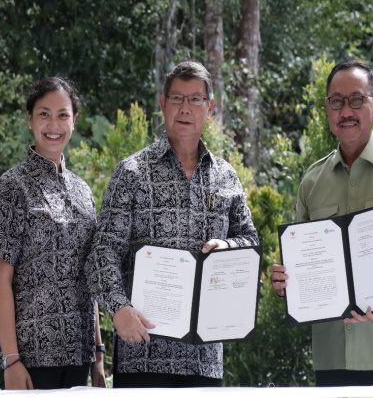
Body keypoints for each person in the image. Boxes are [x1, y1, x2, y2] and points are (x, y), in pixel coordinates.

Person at [87, 61, 259, 388]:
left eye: (195, 99)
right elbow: (102, 252)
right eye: (177, 98)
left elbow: (249, 241)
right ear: (163, 104)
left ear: (210, 108)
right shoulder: (132, 173)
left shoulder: (225, 176)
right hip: (142, 355)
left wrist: (228, 246)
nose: (185, 108)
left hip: (204, 359)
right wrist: (118, 309)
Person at [271, 60, 373, 386]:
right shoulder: (312, 182)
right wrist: (284, 281)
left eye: (356, 99)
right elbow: (300, 264)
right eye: (337, 101)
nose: (345, 110)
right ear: (327, 109)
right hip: (331, 356)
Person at [0, 77, 106, 390]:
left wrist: (98, 356)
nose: (54, 124)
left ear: (74, 121)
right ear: (30, 119)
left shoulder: (83, 191)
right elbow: (0, 280)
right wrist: (11, 360)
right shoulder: (13, 186)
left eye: (63, 115)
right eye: (44, 114)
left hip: (78, 356)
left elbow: (89, 277)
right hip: (30, 359)